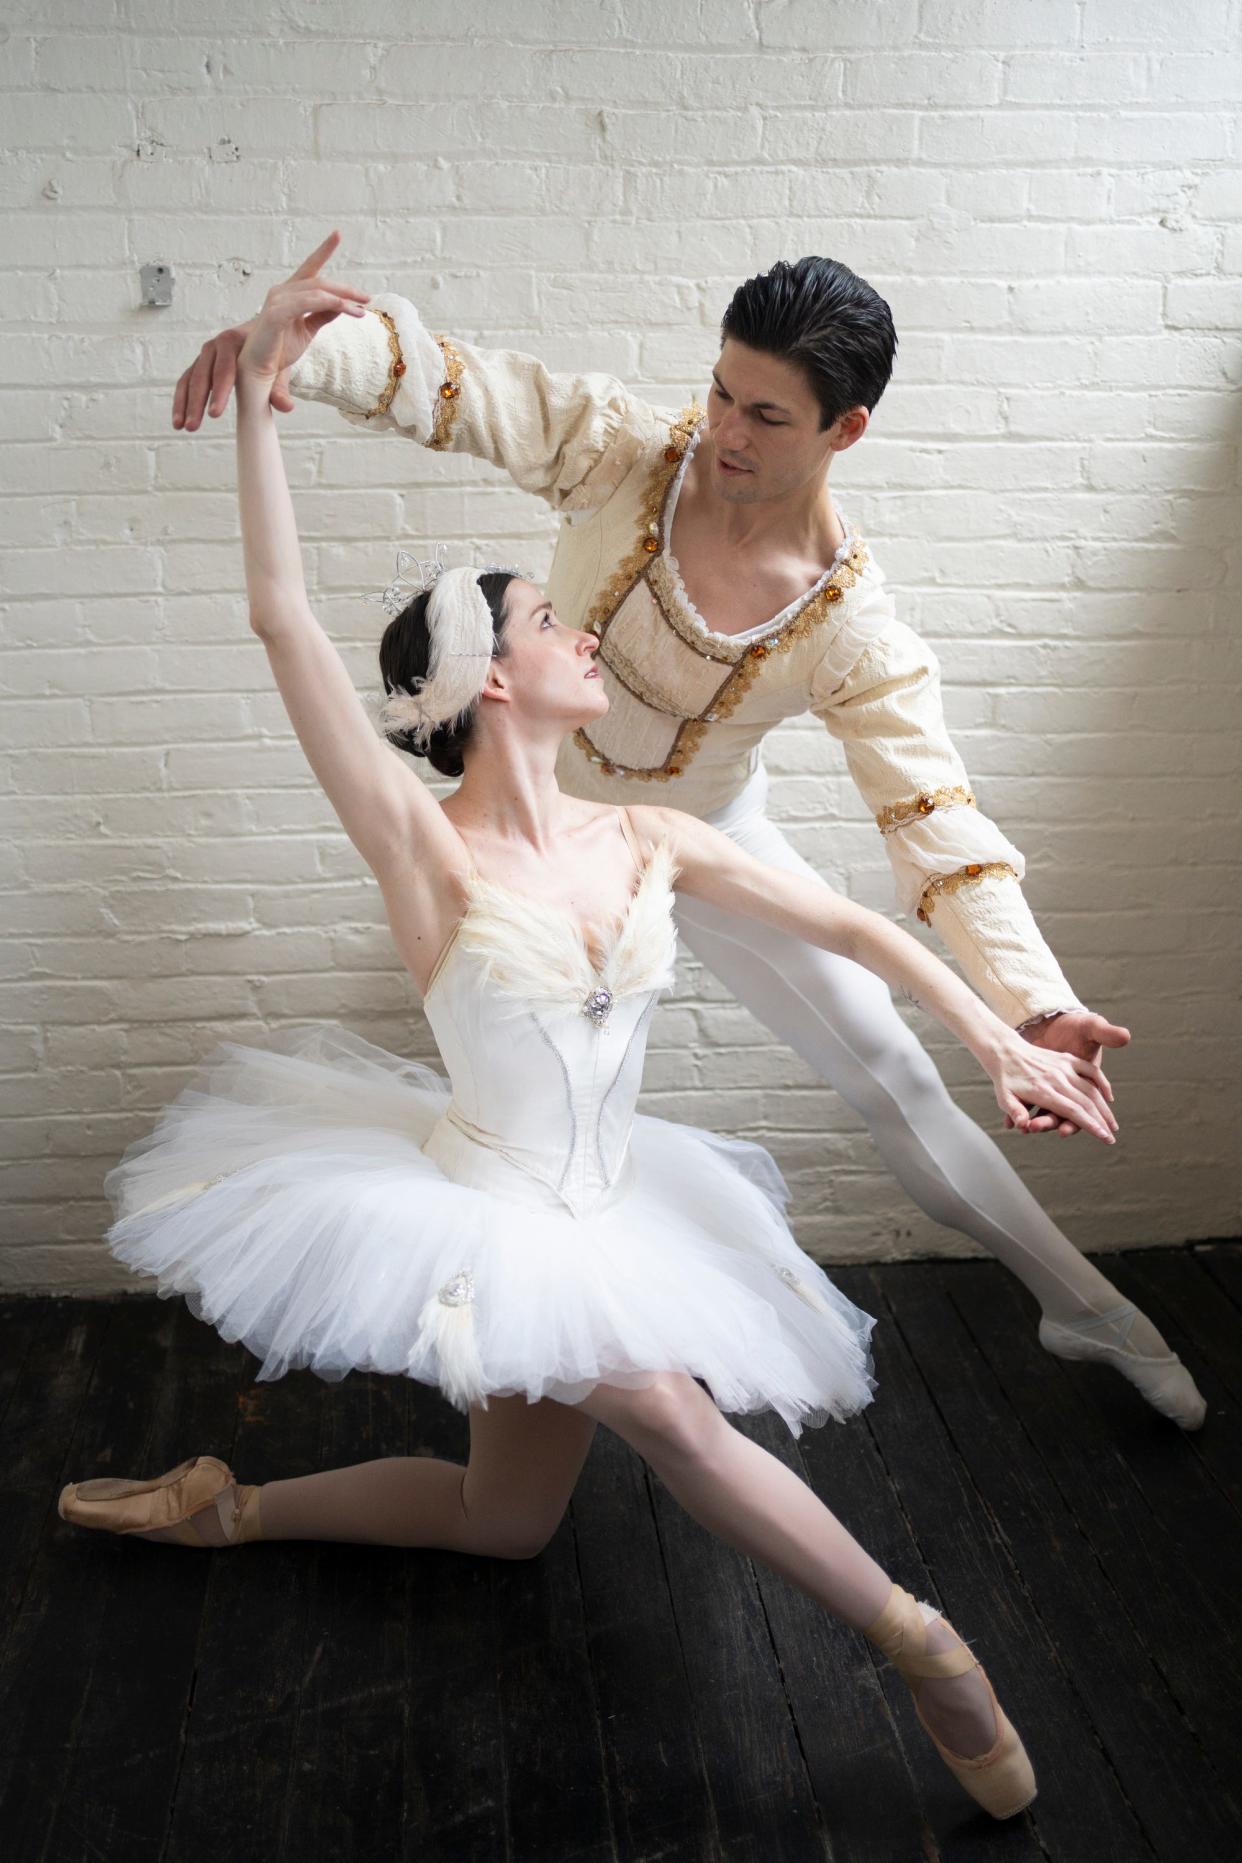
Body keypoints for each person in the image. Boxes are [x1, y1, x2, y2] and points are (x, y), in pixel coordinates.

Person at [60, 256, 1119, 1823]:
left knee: (504, 1524)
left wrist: (1002, 1029)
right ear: (496, 673)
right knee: (670, 1410)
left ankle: (234, 1503)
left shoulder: (644, 838)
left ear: (843, 427)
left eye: (768, 408)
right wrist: (267, 405)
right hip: (493, 1208)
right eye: (551, 616)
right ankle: (920, 1638)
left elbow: (862, 925)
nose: (585, 631)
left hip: (611, 1205)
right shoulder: (426, 857)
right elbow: (282, 615)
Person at [167, 232, 1205, 1430]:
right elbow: (464, 388)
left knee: (897, 1075)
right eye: (720, 390)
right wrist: (292, 350)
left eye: (766, 415)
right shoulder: (626, 454)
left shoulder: (850, 622)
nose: (723, 431)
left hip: (695, 837)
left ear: (843, 431)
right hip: (528, 829)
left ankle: (1086, 1306)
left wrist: (1026, 1003)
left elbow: (937, 817)